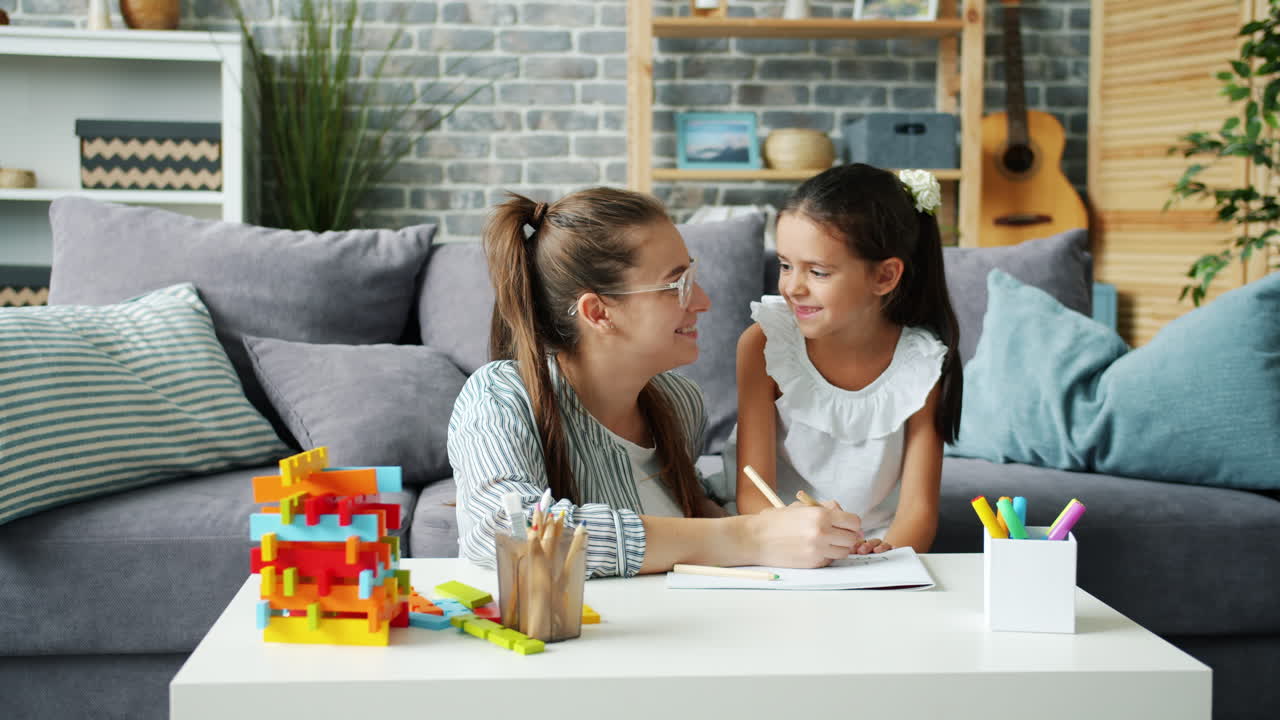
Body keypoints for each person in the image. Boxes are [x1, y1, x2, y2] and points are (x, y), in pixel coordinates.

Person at [449, 187, 865, 578]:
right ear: (598, 313)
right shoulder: (501, 396)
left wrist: (805, 536)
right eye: (677, 285)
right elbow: (507, 531)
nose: (703, 301)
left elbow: (694, 521)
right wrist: (750, 537)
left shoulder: (680, 402)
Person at [726, 164, 963, 554]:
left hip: (875, 545)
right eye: (786, 265)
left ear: (885, 277)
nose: (792, 287)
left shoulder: (921, 363)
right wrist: (799, 539)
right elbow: (753, 493)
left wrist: (886, 553)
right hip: (773, 534)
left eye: (818, 272)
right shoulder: (763, 344)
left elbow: (918, 513)